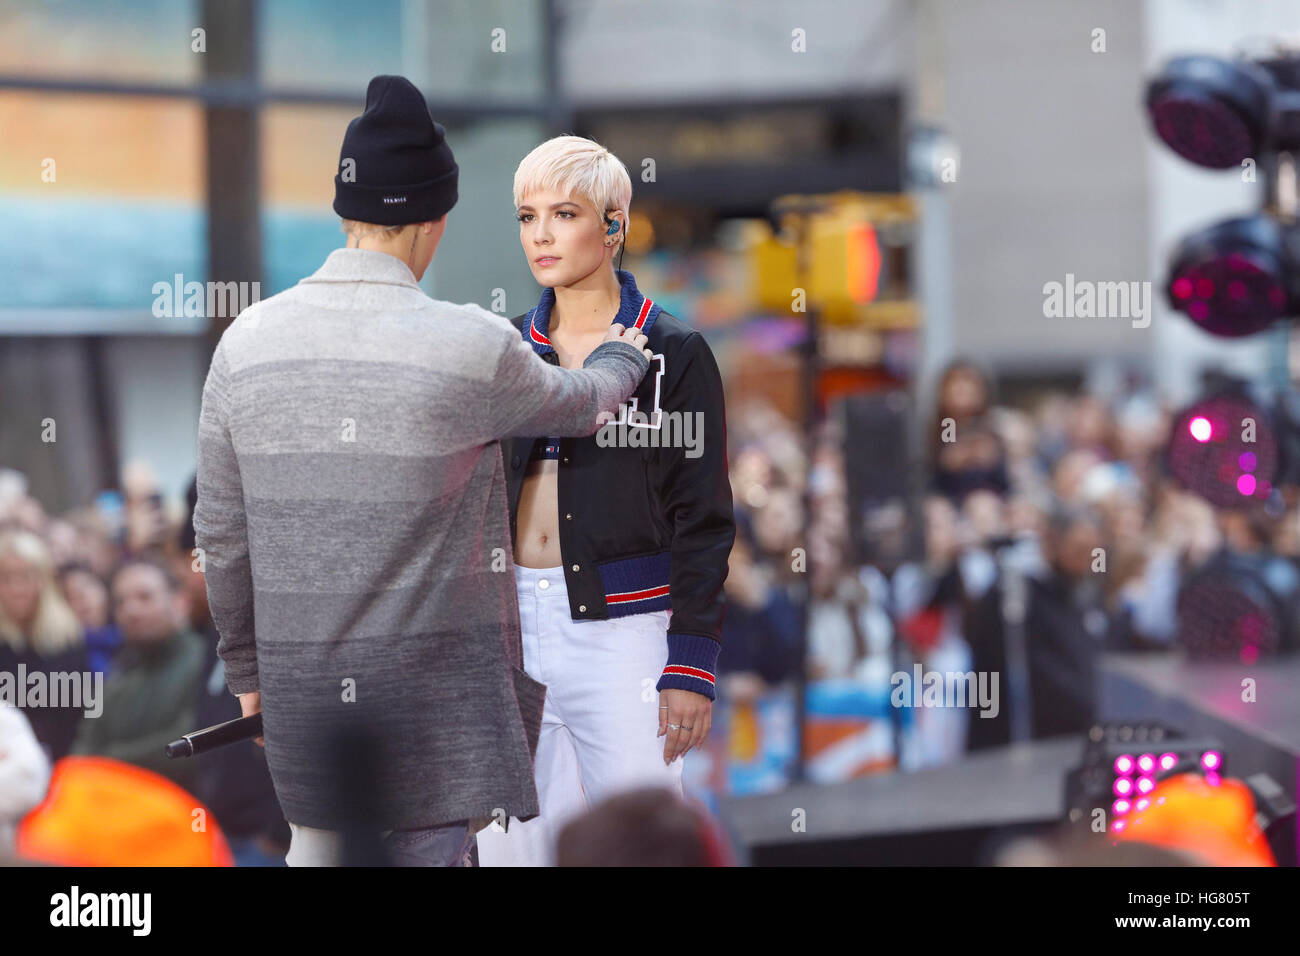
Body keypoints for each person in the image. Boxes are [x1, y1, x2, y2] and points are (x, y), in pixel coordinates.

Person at [192, 77, 650, 867]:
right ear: (434, 223)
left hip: (306, 723)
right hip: (432, 731)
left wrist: (248, 677)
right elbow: (583, 403)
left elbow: (221, 538)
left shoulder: (245, 343)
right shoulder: (466, 345)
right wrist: (622, 352)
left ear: (345, 212)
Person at [477, 136, 734, 866]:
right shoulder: (506, 349)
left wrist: (690, 663)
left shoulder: (671, 350)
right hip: (512, 632)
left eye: (564, 213)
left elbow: (705, 515)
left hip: (627, 632)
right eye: (527, 217)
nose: (542, 235)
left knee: (639, 843)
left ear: (615, 224)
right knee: (508, 851)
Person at [71, 559, 206, 791]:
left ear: (180, 602)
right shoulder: (117, 676)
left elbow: (191, 743)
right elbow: (83, 754)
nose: (131, 610)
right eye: (121, 602)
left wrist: (108, 761)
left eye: (145, 597)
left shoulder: (205, 663)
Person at [0, 529, 88, 762]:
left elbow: (81, 712)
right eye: (6, 578)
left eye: (26, 576)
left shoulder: (68, 638)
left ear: (43, 579)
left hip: (62, 761)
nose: (17, 588)